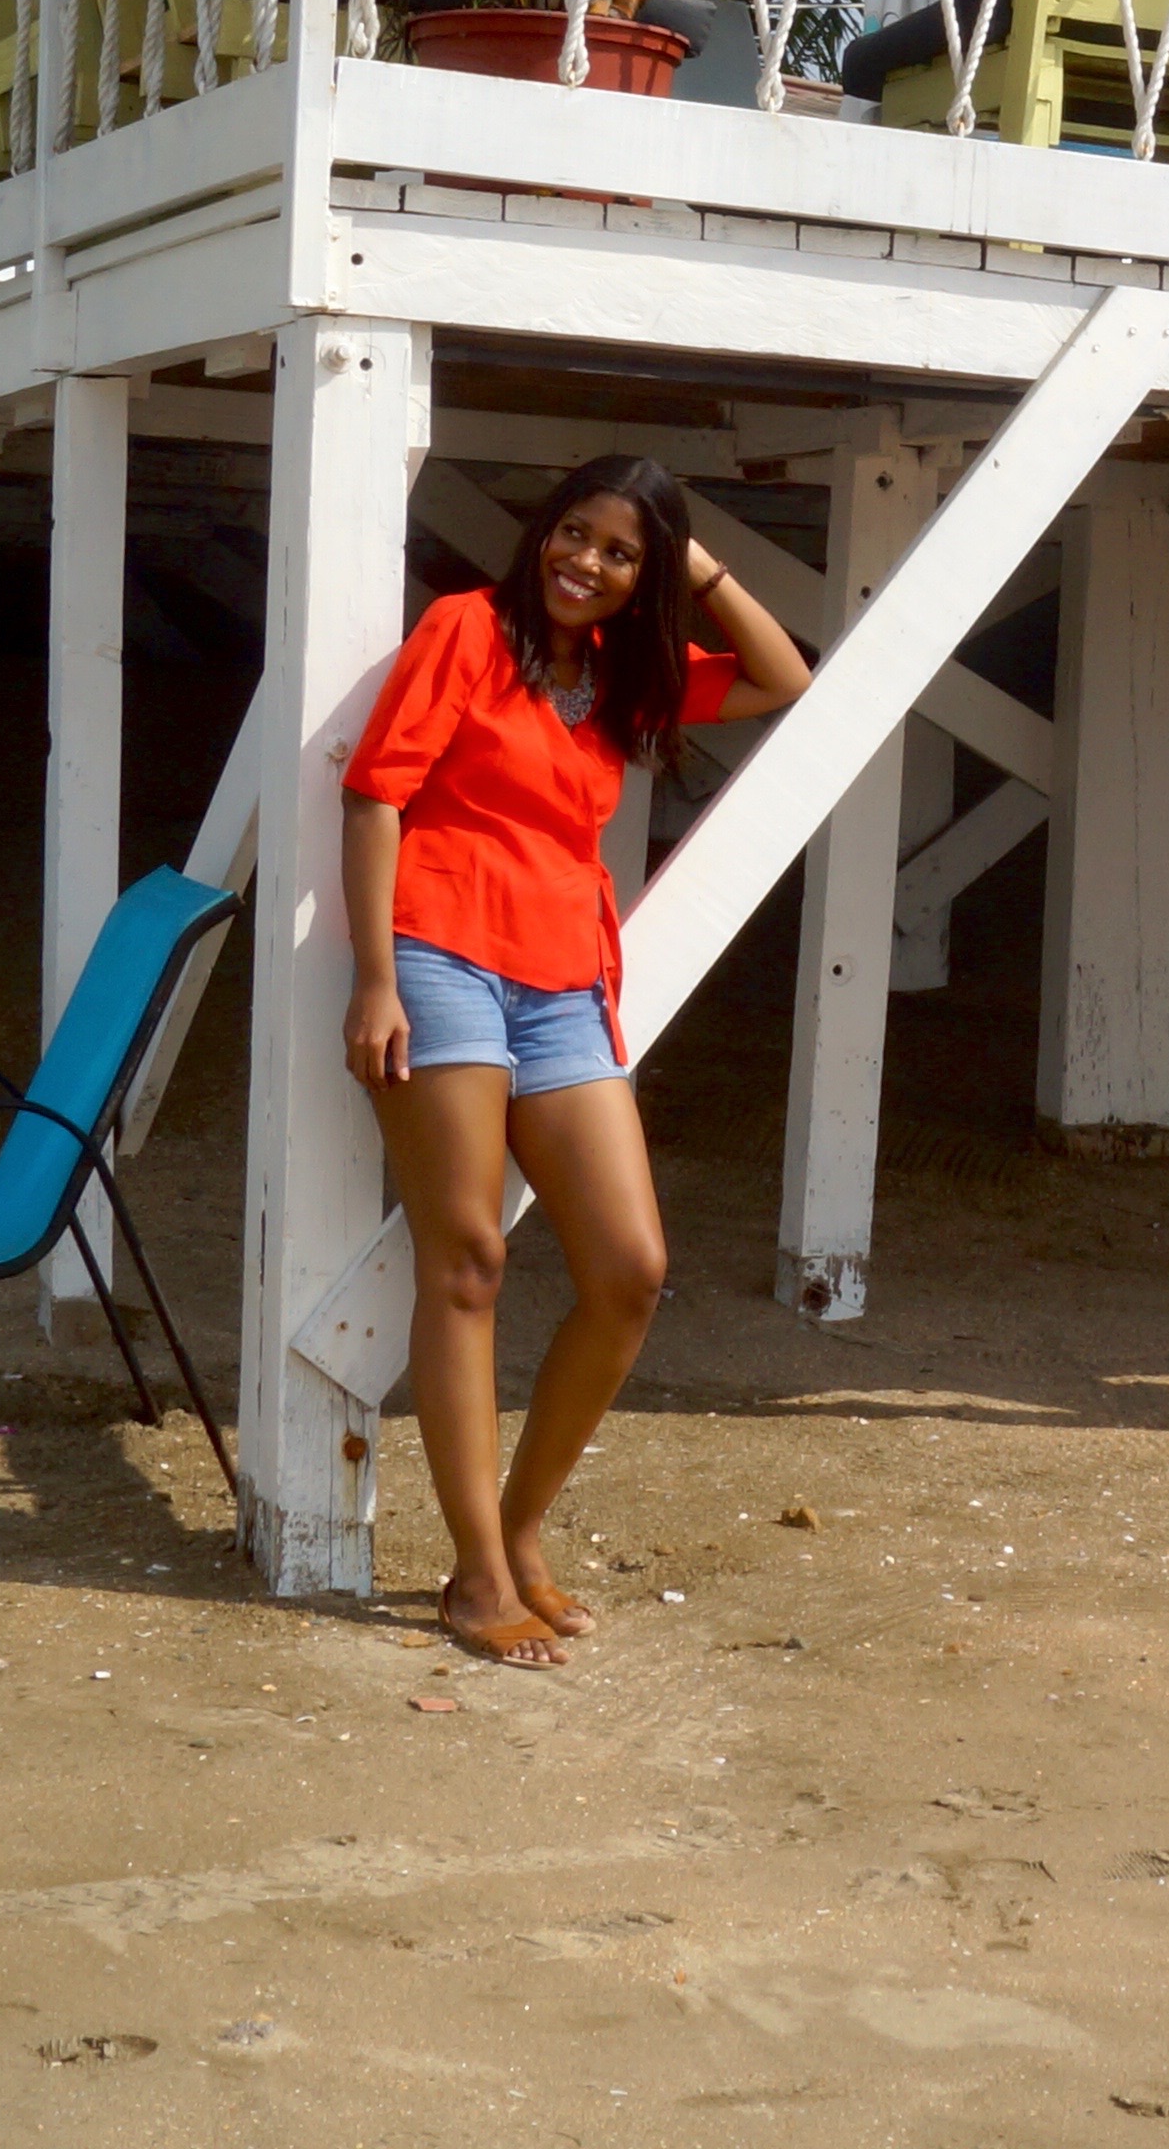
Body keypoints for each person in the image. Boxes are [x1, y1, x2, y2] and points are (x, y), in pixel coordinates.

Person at [339, 453, 809, 1664]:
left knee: (631, 1267)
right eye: (572, 534)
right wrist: (377, 977)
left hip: (562, 984)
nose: (583, 563)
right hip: (439, 957)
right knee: (471, 1257)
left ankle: (521, 1523)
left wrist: (693, 557)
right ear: (538, 531)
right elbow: (378, 794)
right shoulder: (465, 630)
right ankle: (478, 1575)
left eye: (618, 552)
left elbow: (782, 676)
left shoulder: (621, 675)